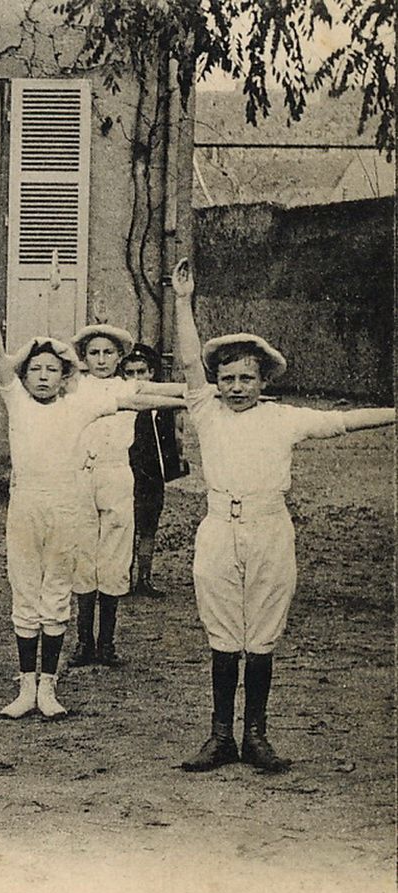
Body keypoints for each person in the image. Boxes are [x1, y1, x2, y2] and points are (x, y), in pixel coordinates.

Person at [169, 259, 394, 773]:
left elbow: (343, 422)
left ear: (263, 378)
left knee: (263, 634)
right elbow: (186, 364)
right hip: (218, 530)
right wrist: (183, 301)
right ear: (217, 381)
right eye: (227, 378)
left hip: (270, 529)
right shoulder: (206, 411)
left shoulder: (283, 419)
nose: (236, 386)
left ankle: (257, 737)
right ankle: (220, 736)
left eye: (247, 377)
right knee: (224, 634)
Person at [0, 300, 183, 721]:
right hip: (25, 510)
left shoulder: (78, 406)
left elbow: (136, 401)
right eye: (35, 369)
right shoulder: (16, 402)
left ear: (66, 377)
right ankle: (25, 687)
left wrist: (196, 395)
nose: (42, 376)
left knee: (56, 593)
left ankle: (49, 687)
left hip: (65, 509)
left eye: (52, 370)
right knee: (25, 593)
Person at [67, 323, 186, 668]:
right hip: (81, 474)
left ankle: (107, 644)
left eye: (108, 353)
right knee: (83, 556)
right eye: (94, 353)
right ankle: (83, 642)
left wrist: (205, 393)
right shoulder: (73, 386)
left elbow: (167, 390)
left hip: (117, 473)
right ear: (84, 358)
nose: (101, 360)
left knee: (115, 556)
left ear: (120, 357)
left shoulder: (129, 385)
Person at [119, 343, 186, 597]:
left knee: (149, 527)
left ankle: (144, 579)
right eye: (130, 372)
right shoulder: (122, 404)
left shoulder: (160, 406)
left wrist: (172, 466)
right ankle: (122, 578)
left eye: (141, 371)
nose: (136, 378)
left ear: (151, 373)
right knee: (126, 526)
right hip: (127, 473)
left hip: (152, 476)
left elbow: (173, 440)